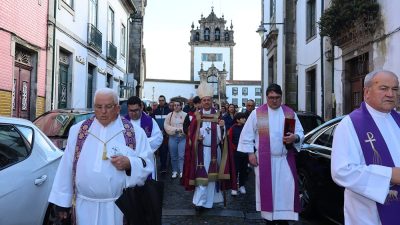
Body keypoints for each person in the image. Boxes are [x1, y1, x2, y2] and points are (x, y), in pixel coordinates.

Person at [48, 88, 153, 225]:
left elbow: (147, 163)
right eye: (98, 107)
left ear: (117, 108)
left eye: (108, 107)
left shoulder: (134, 133)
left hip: (118, 207)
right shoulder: (79, 131)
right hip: (84, 206)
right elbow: (67, 165)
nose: (103, 111)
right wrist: (62, 201)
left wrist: (130, 163)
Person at [331, 70, 400, 225]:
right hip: (368, 215)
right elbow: (341, 171)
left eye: (395, 89)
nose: (391, 94)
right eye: (384, 88)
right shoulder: (349, 125)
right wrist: (389, 175)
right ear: (367, 92)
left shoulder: (398, 120)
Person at [238, 83, 304, 225]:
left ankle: (284, 220)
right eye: (271, 97)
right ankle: (269, 220)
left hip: (284, 160)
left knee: (285, 192)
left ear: (281, 97)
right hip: (264, 161)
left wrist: (295, 138)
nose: (274, 100)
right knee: (268, 194)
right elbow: (247, 135)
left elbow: (300, 133)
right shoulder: (258, 113)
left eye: (277, 97)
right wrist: (250, 154)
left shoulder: (289, 113)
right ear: (266, 97)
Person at [182, 82, 236, 212]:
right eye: (204, 100)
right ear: (201, 101)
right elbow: (190, 133)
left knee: (212, 178)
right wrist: (196, 138)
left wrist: (222, 127)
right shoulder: (196, 115)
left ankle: (207, 203)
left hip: (213, 150)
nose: (206, 102)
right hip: (200, 151)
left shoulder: (218, 115)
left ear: (212, 101)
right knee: (201, 176)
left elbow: (223, 137)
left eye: (208, 100)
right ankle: (199, 202)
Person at [126, 96, 163, 180]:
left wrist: (140, 145)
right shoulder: (123, 122)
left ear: (141, 107)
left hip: (146, 158)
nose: (133, 113)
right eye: (130, 111)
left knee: (147, 187)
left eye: (136, 110)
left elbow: (158, 138)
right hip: (129, 160)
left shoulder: (150, 121)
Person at [164, 101, 187, 178]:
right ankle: (174, 171)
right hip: (173, 137)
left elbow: (187, 126)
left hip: (182, 138)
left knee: (181, 156)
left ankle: (182, 171)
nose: (176, 106)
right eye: (174, 105)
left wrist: (181, 130)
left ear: (181, 106)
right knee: (173, 156)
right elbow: (166, 126)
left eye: (178, 105)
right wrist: (176, 129)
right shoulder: (169, 115)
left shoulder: (185, 115)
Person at [228, 112, 248, 196]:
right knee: (235, 170)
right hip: (236, 153)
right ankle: (234, 187)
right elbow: (230, 140)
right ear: (237, 120)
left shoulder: (247, 128)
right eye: (242, 118)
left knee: (243, 170)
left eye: (244, 118)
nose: (244, 119)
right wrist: (234, 148)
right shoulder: (232, 128)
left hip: (245, 152)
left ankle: (242, 185)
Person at [152, 95, 171, 174]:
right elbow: (153, 121)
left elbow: (170, 122)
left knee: (164, 150)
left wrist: (167, 131)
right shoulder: (155, 111)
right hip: (158, 133)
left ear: (165, 100)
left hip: (166, 134)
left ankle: (164, 166)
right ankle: (160, 165)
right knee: (159, 150)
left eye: (162, 100)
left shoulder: (169, 111)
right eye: (159, 100)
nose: (161, 102)